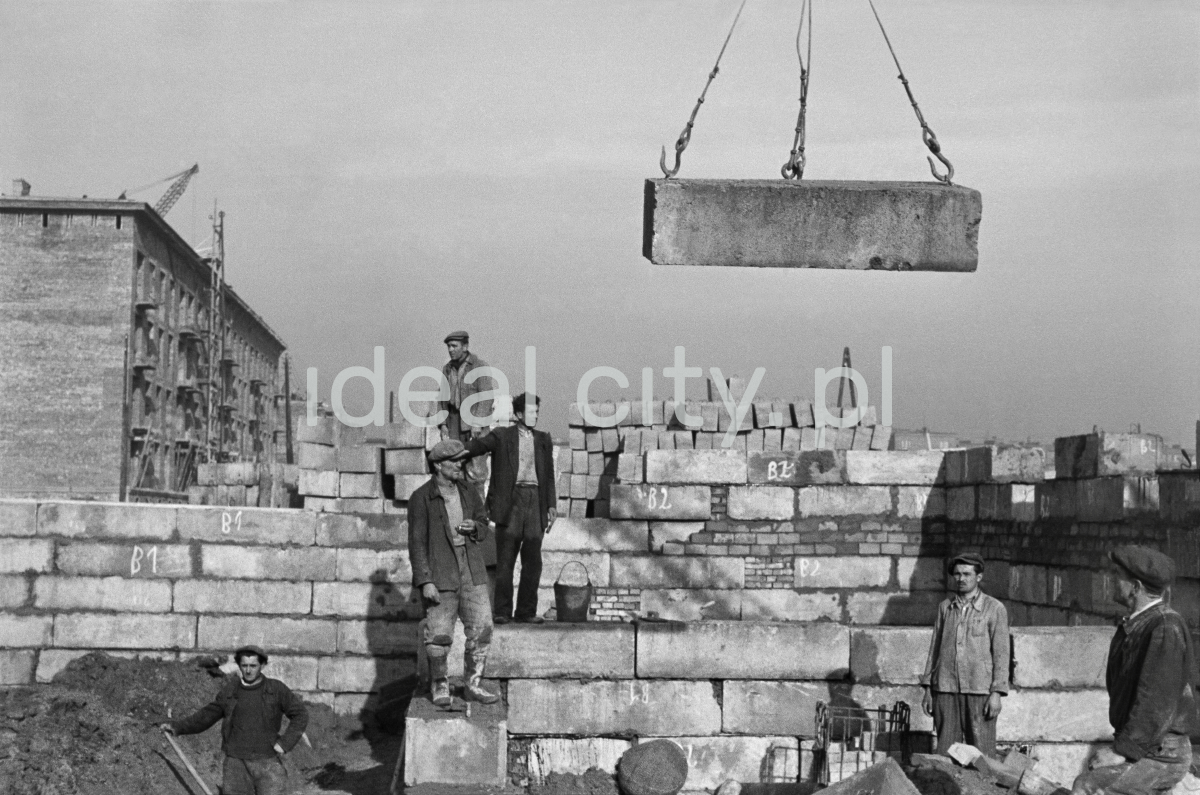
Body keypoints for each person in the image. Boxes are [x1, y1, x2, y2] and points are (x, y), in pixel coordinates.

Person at [1072, 545, 1196, 795]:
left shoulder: (1163, 627)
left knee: (1088, 786)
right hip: (1150, 745)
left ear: (1136, 587)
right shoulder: (1140, 624)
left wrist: (1122, 751)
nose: (1111, 580)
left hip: (1162, 754)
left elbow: (1155, 701)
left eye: (1117, 575)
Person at [409, 438, 498, 706]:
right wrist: (425, 581)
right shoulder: (421, 498)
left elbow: (484, 522)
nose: (460, 464)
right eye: (454, 461)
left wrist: (476, 527)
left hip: (472, 568)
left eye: (461, 459)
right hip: (441, 571)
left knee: (483, 627)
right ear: (438, 465)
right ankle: (440, 685)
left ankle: (472, 684)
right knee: (439, 634)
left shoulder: (469, 491)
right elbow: (416, 543)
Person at [460, 393, 557, 625]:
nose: (535, 415)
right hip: (510, 501)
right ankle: (502, 611)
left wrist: (551, 504)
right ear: (519, 414)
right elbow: (480, 446)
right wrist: (455, 451)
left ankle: (526, 611)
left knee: (533, 561)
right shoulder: (502, 436)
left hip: (535, 501)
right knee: (506, 560)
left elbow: (549, 475)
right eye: (532, 411)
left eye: (537, 412)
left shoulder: (543, 439)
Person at [162, 645, 308, 795]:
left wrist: (284, 744)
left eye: (253, 666)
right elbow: (207, 715)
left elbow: (301, 714)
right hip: (236, 765)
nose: (248, 670)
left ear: (262, 666)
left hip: (267, 762)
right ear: (239, 665)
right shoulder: (231, 690)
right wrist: (177, 727)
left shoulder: (276, 689)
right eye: (244, 665)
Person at [921, 551, 1010, 759]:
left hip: (980, 690)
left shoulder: (994, 608)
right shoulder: (945, 608)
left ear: (978, 577)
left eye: (967, 574)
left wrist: (997, 693)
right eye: (958, 574)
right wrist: (928, 689)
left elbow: (1002, 654)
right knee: (946, 752)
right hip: (946, 688)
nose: (961, 579)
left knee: (981, 754)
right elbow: (935, 650)